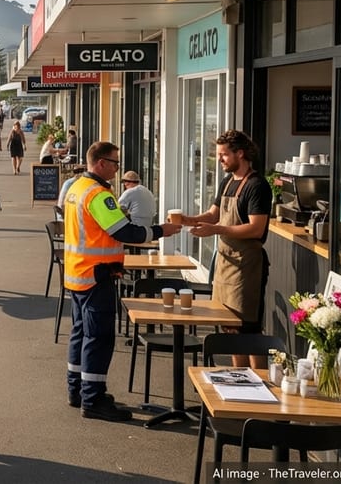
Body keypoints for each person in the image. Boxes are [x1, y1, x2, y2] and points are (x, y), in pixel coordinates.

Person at [63, 141, 181, 422]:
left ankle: (77, 390)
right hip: (97, 275)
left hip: (78, 274)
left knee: (81, 334)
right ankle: (93, 399)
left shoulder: (77, 188)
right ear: (101, 163)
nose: (118, 169)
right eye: (115, 163)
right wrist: (161, 230)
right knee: (99, 338)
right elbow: (125, 232)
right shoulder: (98, 194)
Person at [179, 130, 271, 366]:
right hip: (226, 264)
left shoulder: (257, 186)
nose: (219, 160)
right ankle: (238, 378)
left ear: (240, 154)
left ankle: (260, 385)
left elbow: (256, 229)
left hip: (247, 267)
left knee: (248, 330)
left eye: (223, 155)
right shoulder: (227, 181)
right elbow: (213, 214)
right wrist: (187, 220)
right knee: (228, 328)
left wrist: (217, 230)